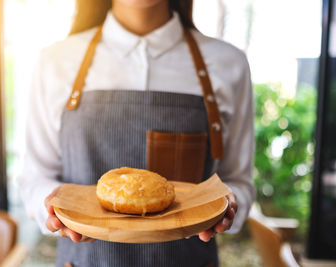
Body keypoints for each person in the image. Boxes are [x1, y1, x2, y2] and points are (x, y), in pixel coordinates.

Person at [18, 0, 256, 266]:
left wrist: (228, 204)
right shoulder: (56, 61)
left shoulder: (227, 63)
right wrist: (57, 209)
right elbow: (35, 178)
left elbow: (239, 181)